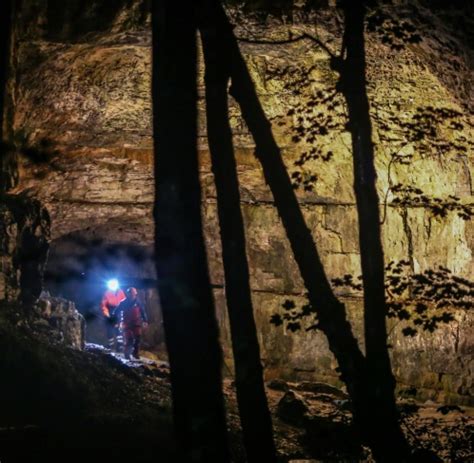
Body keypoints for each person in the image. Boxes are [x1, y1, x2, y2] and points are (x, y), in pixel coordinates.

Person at [117, 287, 148, 360]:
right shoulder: (123, 302)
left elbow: (143, 311)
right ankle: (127, 354)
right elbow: (116, 312)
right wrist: (117, 321)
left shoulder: (138, 302)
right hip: (126, 324)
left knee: (138, 338)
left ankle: (135, 353)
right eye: (130, 293)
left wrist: (145, 320)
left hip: (136, 323)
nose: (132, 295)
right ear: (128, 294)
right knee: (129, 339)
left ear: (135, 294)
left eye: (133, 293)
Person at [100, 282, 126, 352]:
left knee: (119, 329)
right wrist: (106, 313)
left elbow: (124, 302)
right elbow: (104, 304)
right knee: (110, 330)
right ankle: (111, 345)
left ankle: (120, 345)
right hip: (110, 312)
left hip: (118, 311)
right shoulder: (107, 293)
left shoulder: (120, 292)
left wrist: (124, 312)